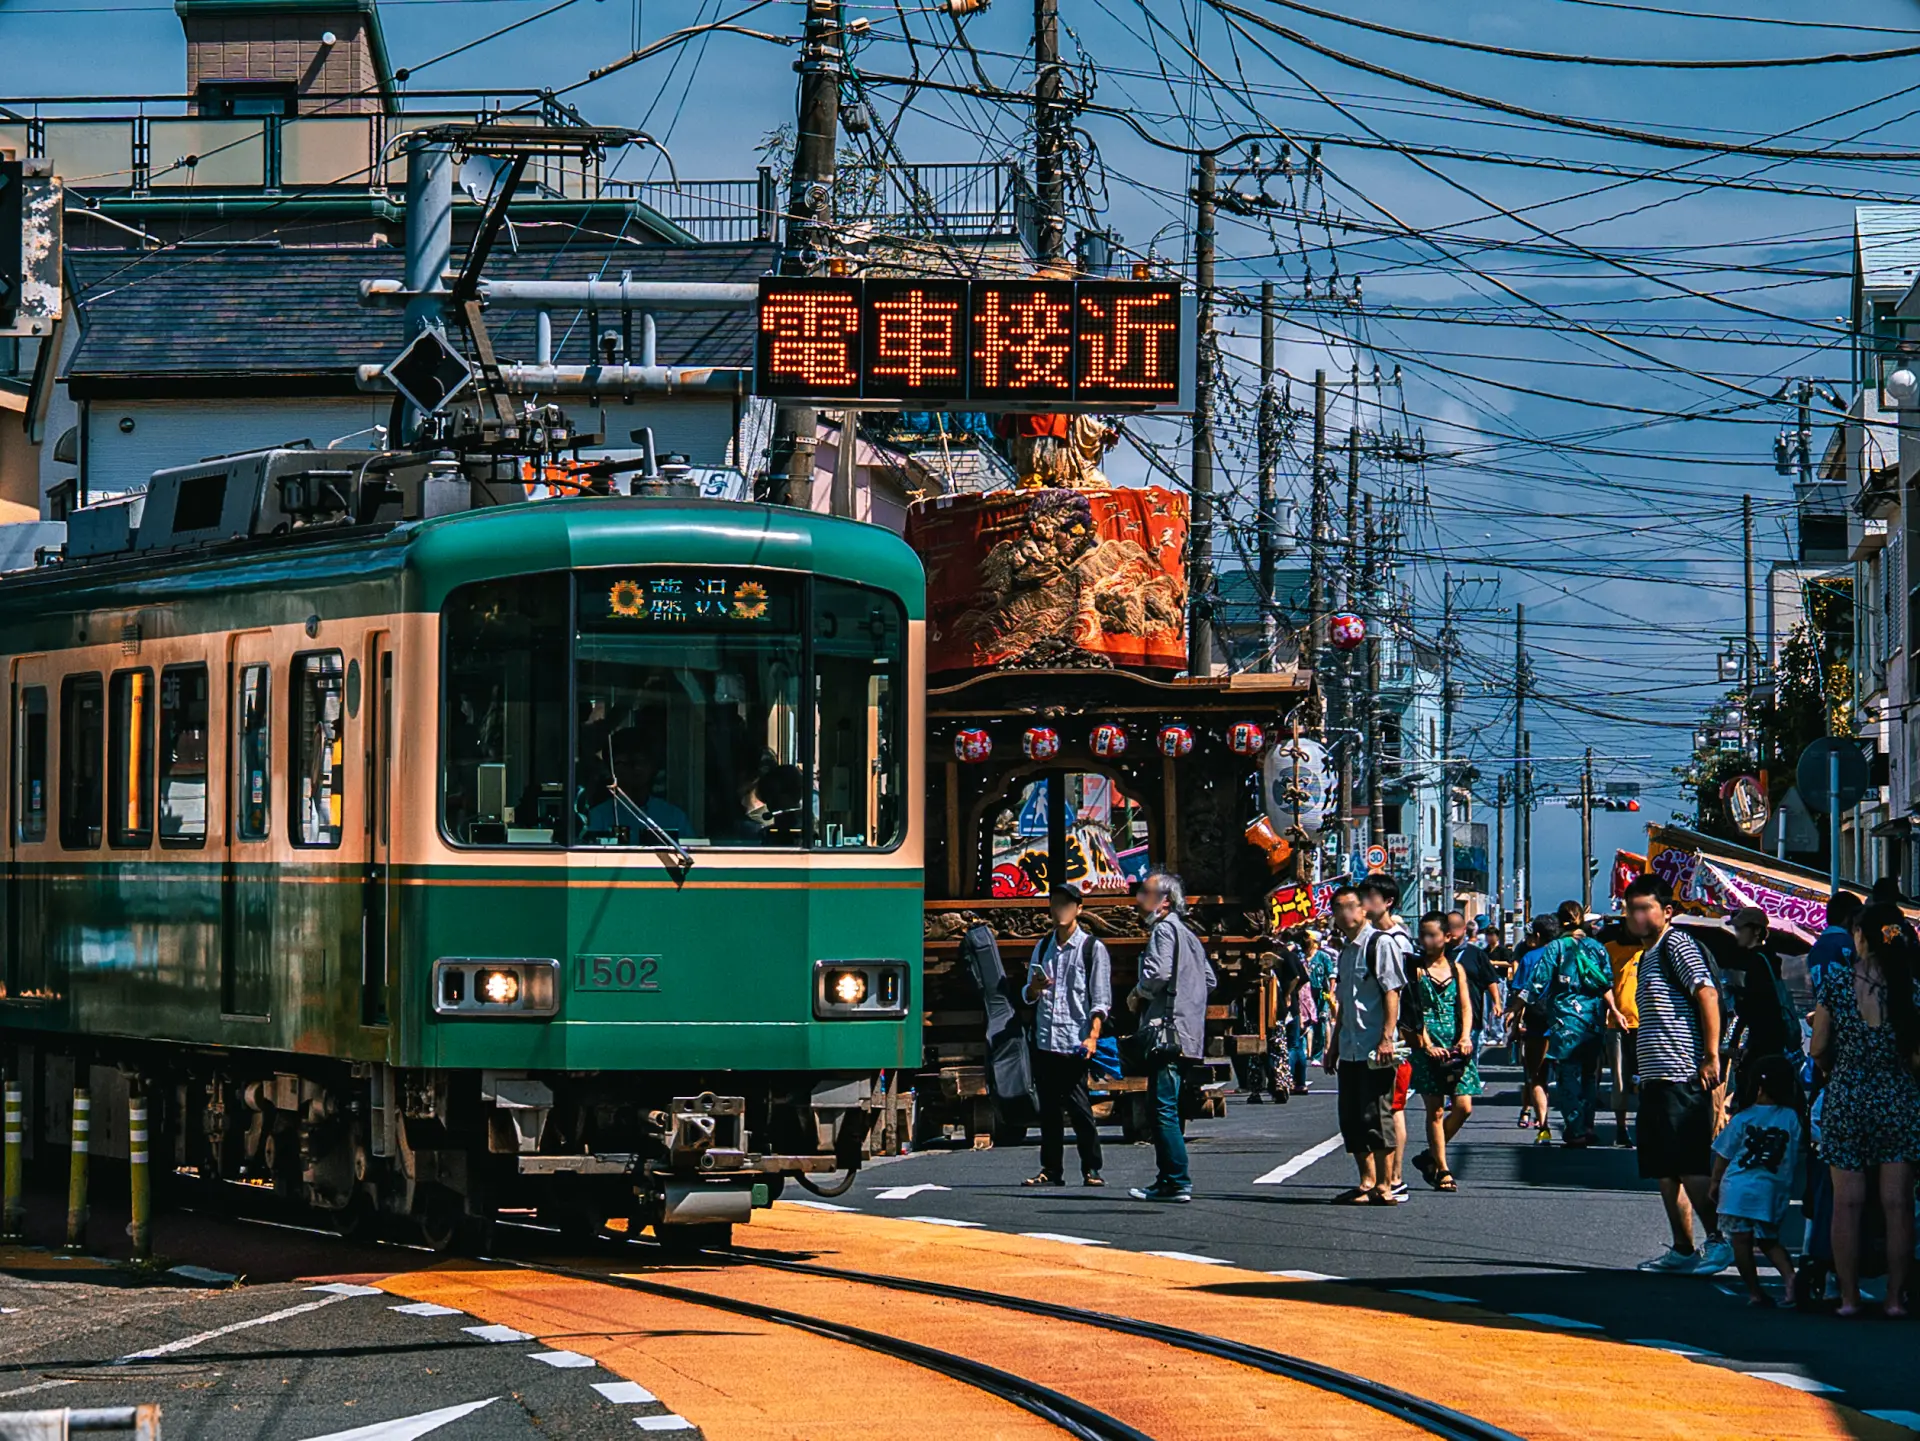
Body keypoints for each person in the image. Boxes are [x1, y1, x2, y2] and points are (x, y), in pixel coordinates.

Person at [1809, 900, 1920, 1317]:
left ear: (1860, 936)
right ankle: (1894, 1299)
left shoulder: (1836, 985)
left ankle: (1849, 1298)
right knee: (1897, 1204)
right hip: (1898, 1098)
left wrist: (1834, 1068)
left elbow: (1819, 1046)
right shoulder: (1909, 989)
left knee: (1847, 1203)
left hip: (1848, 1096)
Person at [1622, 874, 1732, 1276]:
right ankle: (1684, 1249)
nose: (1635, 915)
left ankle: (1720, 1241)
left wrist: (1710, 1055)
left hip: (1681, 1072)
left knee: (1690, 1165)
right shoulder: (1648, 955)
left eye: (1644, 907)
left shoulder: (1676, 944)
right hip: (1655, 1078)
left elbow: (1707, 993)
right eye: (1631, 908)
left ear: (1666, 911)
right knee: (1665, 1171)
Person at [1127, 870, 1214, 1203]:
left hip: (1166, 1030)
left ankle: (1176, 1180)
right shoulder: (1189, 935)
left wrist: (1139, 993)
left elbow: (1159, 973)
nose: (1138, 899)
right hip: (1186, 1031)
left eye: (1145, 892)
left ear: (1164, 901)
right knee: (1170, 1106)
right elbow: (1209, 981)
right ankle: (1171, 1178)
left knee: (1161, 1107)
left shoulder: (1163, 930)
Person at [1323, 883, 1409, 1205]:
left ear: (1364, 909)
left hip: (1376, 1047)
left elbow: (1392, 991)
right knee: (1352, 1116)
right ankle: (1366, 1181)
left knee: (1378, 1115)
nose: (1344, 914)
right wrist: (1332, 1047)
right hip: (1350, 1047)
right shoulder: (1345, 952)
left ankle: (1386, 1185)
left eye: (1349, 906)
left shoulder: (1380, 943)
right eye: (1337, 908)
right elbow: (1345, 1000)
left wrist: (1387, 1037)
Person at [1022, 883, 1112, 1188]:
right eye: (1056, 904)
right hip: (1045, 1038)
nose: (1060, 910)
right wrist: (1034, 988)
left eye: (1066, 904)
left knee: (1079, 1108)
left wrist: (1093, 1037)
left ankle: (1092, 1168)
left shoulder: (1091, 949)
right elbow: (1028, 994)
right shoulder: (1043, 946)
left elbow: (1100, 1000)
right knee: (1048, 1111)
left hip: (1074, 1041)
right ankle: (1051, 1170)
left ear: (1079, 909)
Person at [1708, 1052, 1803, 1308]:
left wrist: (1715, 1183)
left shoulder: (1742, 1118)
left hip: (1738, 1189)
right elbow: (1795, 1153)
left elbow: (1724, 1154)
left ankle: (1755, 1292)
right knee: (1769, 1240)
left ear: (1757, 1086)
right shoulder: (1791, 1118)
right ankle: (1791, 1279)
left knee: (1741, 1241)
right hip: (1771, 1189)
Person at [1534, 909, 1621, 1148]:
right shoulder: (1598, 948)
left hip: (1566, 1021)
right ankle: (1588, 1125)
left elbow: (1538, 982)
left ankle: (1575, 1129)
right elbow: (1607, 984)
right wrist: (1613, 1010)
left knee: (1568, 1075)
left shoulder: (1556, 948)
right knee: (1589, 1075)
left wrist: (1517, 1006)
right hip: (1593, 1019)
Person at [1409, 911, 1482, 1192]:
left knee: (1464, 1107)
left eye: (1432, 934)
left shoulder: (1456, 968)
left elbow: (1465, 1006)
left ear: (1446, 937)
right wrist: (1426, 1044)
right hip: (1429, 1041)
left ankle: (1429, 1156)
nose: (1426, 940)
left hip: (1455, 1043)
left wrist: (1465, 1037)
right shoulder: (1415, 968)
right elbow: (1413, 1009)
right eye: (1423, 934)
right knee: (1436, 1110)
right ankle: (1442, 1168)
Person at [1358, 875, 1417, 1198]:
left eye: (1370, 896)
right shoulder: (1377, 936)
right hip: (1378, 1034)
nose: (1364, 902)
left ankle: (1394, 1176)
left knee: (1393, 1107)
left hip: (1392, 1036)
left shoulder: (1394, 940)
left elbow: (1396, 991)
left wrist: (1389, 1035)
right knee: (1386, 1106)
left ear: (1388, 901)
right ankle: (1388, 1176)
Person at [1727, 906, 1803, 1109]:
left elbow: (1754, 1006)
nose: (1737, 933)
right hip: (1774, 1041)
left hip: (1759, 1041)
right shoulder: (1770, 959)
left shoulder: (1755, 962)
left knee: (1751, 1097)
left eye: (1741, 929)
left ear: (1756, 931)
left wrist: (1734, 1044)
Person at [1507, 916, 1561, 1131]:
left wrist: (1514, 1026)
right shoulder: (1566, 954)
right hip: (1565, 1022)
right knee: (1565, 1074)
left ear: (1537, 936)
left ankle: (1543, 1122)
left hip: (1536, 1023)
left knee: (1535, 1075)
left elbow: (1521, 993)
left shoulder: (1530, 958)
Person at [1599, 918, 1643, 1147]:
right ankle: (1621, 1128)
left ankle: (1646, 1127)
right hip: (1615, 1022)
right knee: (1619, 1077)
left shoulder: (1649, 948)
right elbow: (1603, 983)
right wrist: (1613, 1011)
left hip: (1645, 1023)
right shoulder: (1610, 949)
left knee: (1647, 1078)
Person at [1446, 910, 1503, 1057]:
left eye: (1456, 927)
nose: (1453, 932)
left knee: (1468, 1060)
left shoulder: (1476, 954)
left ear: (1464, 929)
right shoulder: (1438, 953)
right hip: (1444, 1016)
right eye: (1449, 927)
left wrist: (1497, 1002)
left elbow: (1490, 979)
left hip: (1472, 1013)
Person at [1807, 890, 1863, 999]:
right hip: (1848, 1011)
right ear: (1849, 919)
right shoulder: (1850, 944)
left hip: (1824, 1011)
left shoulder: (1816, 947)